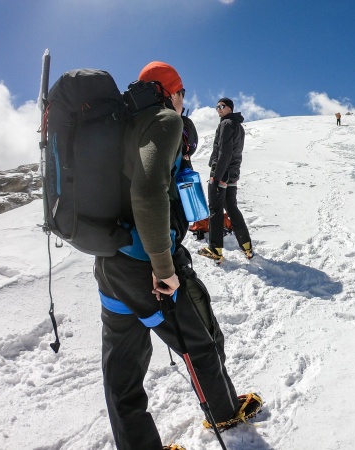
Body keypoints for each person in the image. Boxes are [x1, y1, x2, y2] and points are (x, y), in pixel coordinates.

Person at [94, 63, 260, 450]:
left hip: (111, 263)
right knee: (201, 339)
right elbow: (149, 191)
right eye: (182, 92)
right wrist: (163, 267)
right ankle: (223, 412)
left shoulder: (125, 122)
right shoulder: (165, 120)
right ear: (170, 91)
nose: (185, 100)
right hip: (147, 263)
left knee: (122, 370)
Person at [199, 97, 253, 264]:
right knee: (231, 207)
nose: (219, 110)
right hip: (232, 174)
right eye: (217, 107)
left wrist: (216, 177)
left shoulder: (226, 124)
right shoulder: (238, 126)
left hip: (221, 173)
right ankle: (247, 246)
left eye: (222, 106)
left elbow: (225, 152)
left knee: (215, 209)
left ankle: (215, 250)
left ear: (229, 108)